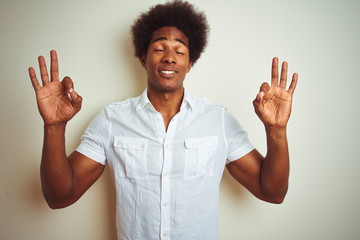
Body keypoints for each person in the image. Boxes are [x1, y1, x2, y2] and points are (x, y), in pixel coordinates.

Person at [28, 1, 298, 239]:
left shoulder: (218, 120)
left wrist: (276, 130)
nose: (169, 56)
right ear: (143, 58)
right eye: (159, 48)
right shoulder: (112, 120)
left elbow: (272, 192)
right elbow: (59, 197)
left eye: (179, 51)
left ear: (190, 63)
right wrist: (54, 127)